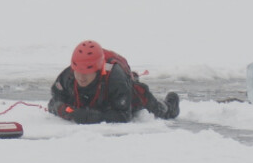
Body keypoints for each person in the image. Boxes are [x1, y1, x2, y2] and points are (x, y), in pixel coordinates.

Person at [48, 40, 179, 124]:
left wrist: (96, 117)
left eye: (87, 73)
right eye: (78, 72)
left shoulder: (116, 80)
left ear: (97, 71)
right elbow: (53, 102)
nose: (81, 77)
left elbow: (124, 115)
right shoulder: (68, 76)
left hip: (121, 86)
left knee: (159, 109)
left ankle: (170, 105)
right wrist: (66, 111)